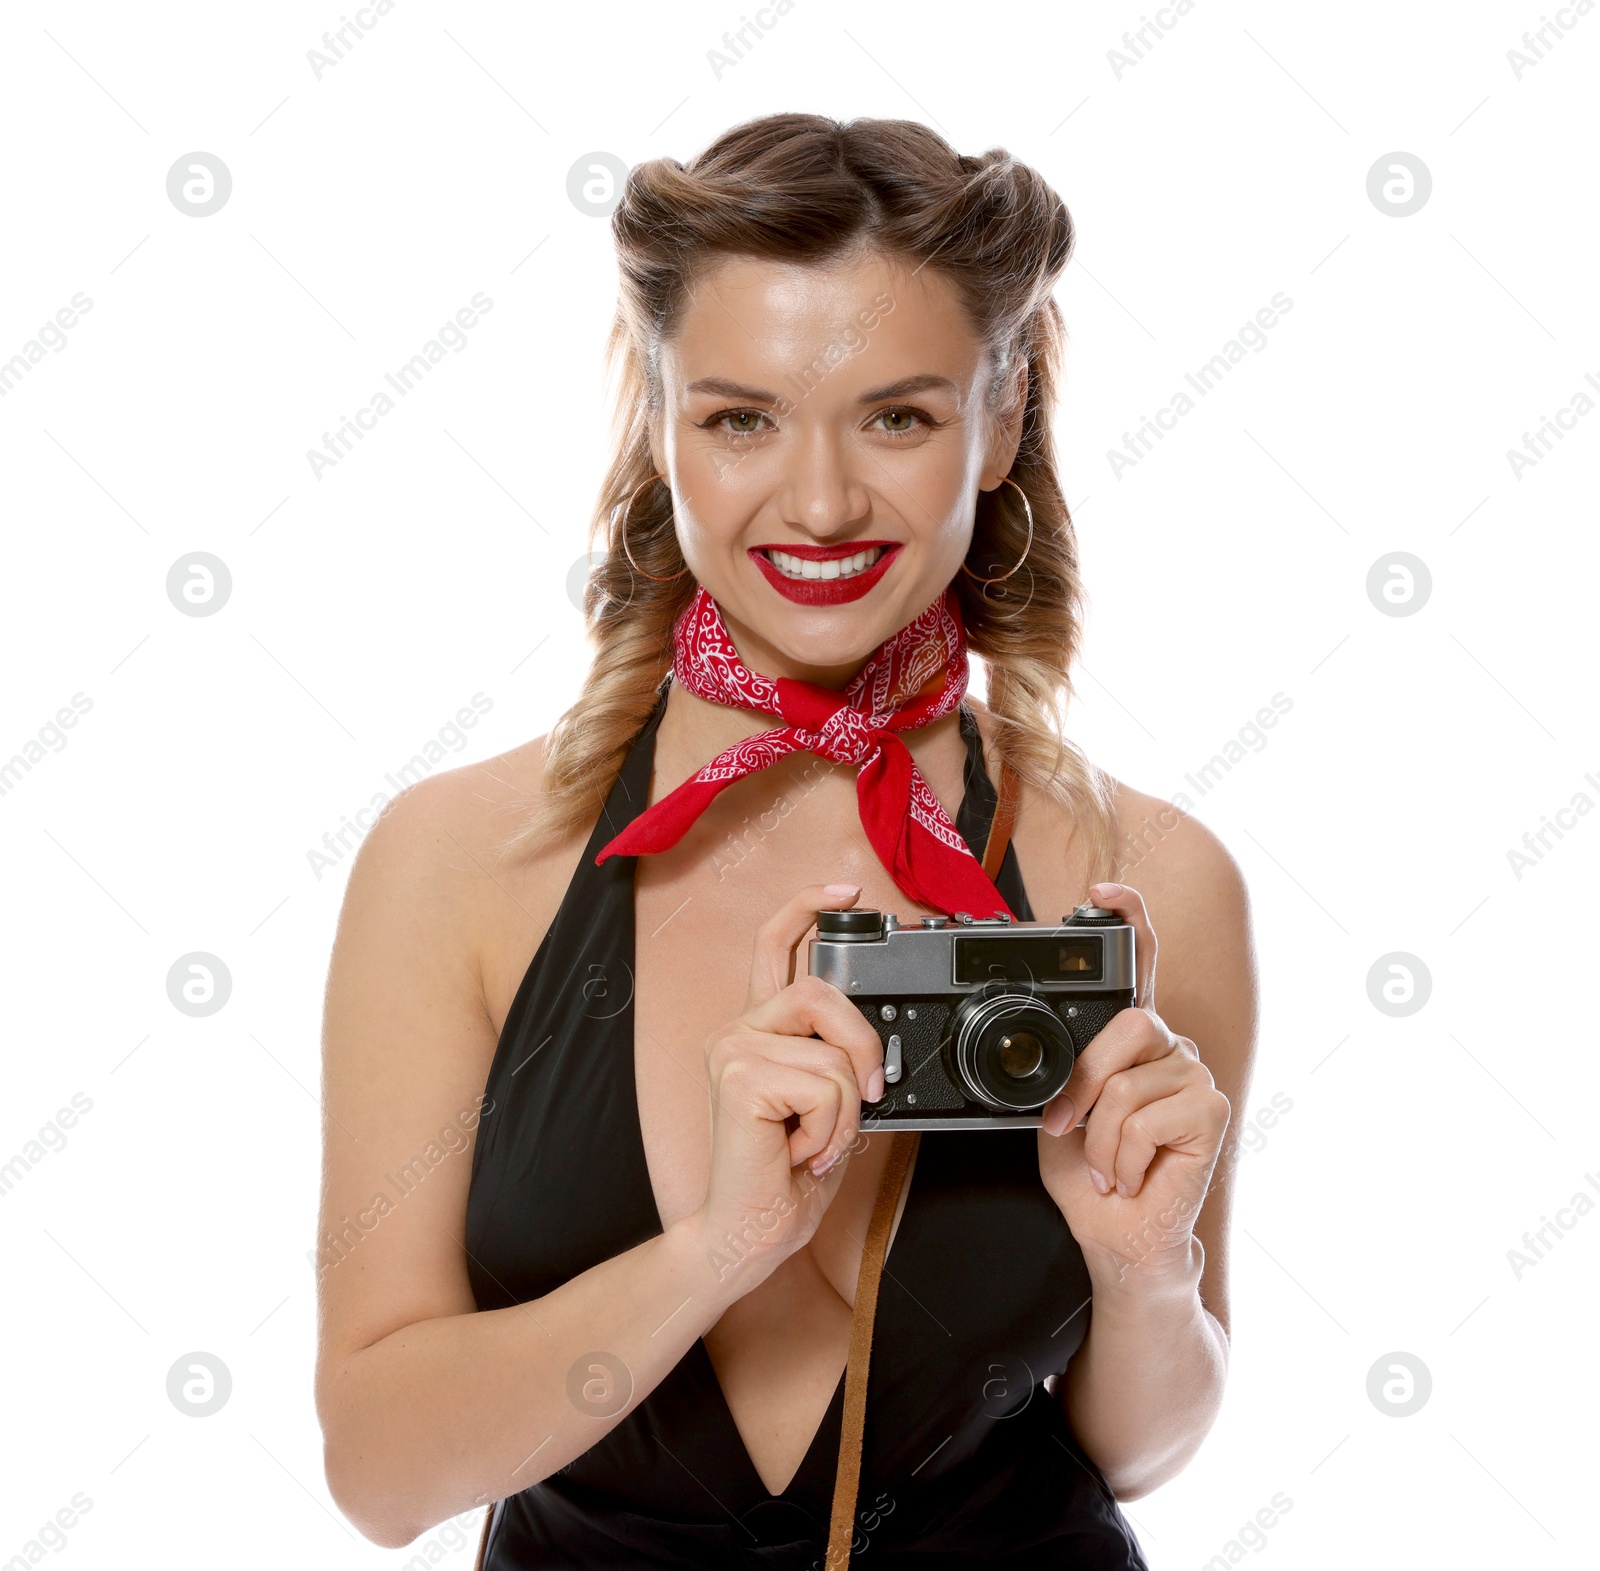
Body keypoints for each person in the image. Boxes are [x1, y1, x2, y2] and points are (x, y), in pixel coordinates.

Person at [313, 113, 1256, 1569]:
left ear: (1001, 421)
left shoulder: (1154, 878)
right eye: (741, 417)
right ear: (660, 421)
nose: (818, 501)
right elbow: (379, 1475)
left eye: (900, 415)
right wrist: (717, 1251)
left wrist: (1145, 1273)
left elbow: (1146, 1448)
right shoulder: (457, 865)